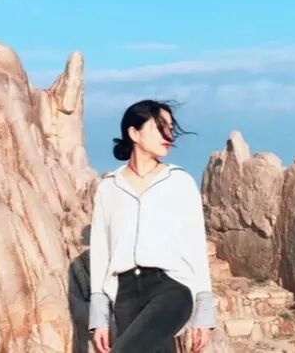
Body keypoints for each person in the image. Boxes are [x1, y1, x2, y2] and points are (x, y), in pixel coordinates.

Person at [89, 99, 216, 353]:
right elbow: (100, 252)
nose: (168, 135)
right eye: (159, 127)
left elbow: (195, 246)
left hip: (171, 288)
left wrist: (204, 311)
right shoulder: (109, 187)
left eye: (170, 128)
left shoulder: (179, 182)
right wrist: (99, 316)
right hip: (124, 295)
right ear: (134, 133)